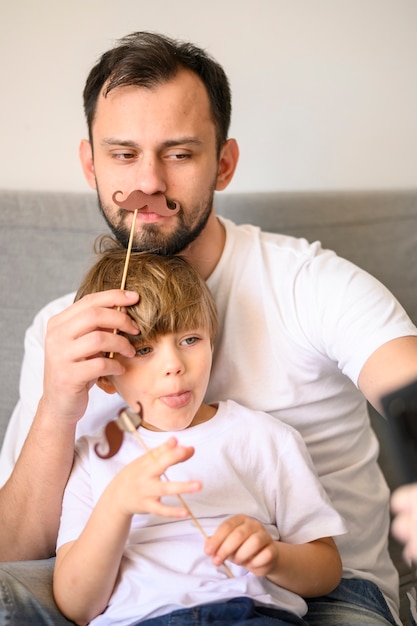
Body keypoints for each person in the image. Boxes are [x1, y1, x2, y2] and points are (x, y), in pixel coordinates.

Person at [0, 30, 417, 626]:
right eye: (123, 154)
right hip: (130, 597)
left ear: (223, 164)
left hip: (318, 595)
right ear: (91, 163)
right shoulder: (58, 329)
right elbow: (15, 553)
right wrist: (58, 408)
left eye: (178, 153)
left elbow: (408, 386)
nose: (148, 184)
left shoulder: (309, 283)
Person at [53, 244, 345, 625]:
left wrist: (274, 556)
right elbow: (77, 606)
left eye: (190, 340)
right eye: (143, 349)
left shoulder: (266, 439)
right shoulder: (93, 459)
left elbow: (326, 569)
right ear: (104, 376)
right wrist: (116, 506)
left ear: (212, 341)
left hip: (251, 614)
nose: (174, 365)